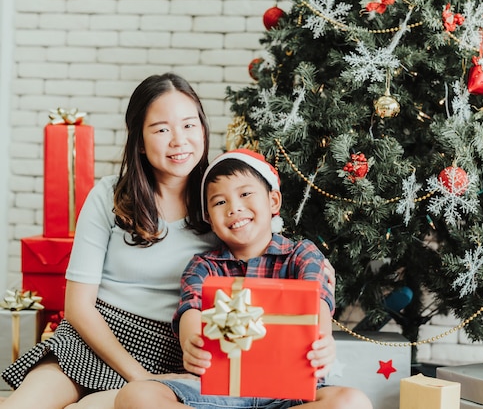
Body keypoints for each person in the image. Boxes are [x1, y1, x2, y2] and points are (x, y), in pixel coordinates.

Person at [1, 73, 217, 409]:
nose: (179, 141)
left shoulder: (220, 202)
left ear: (203, 130)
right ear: (141, 142)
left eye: (190, 125)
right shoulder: (109, 195)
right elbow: (78, 306)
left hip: (169, 352)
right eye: (162, 129)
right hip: (93, 338)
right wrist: (137, 374)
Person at [114, 149, 372, 409]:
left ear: (273, 201)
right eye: (219, 202)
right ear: (209, 220)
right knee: (135, 396)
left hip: (290, 392)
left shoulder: (300, 254)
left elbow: (317, 298)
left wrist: (323, 339)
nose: (234, 207)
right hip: (219, 395)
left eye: (245, 194)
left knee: (353, 402)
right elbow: (191, 309)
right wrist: (192, 343)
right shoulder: (203, 266)